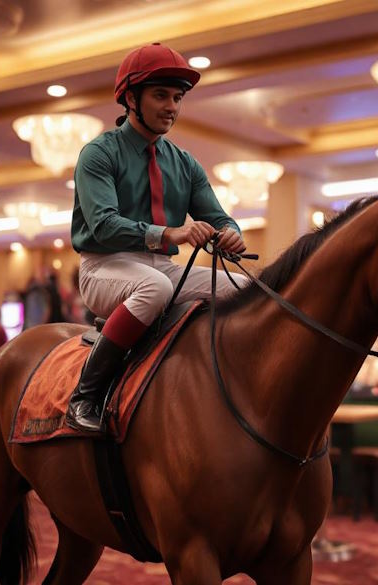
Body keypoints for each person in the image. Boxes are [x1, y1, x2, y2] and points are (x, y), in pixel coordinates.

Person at [66, 42, 248, 432]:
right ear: (130, 98)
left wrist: (231, 233)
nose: (172, 107)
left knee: (245, 290)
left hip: (162, 269)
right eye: (161, 95)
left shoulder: (185, 162)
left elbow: (219, 217)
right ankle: (86, 395)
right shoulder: (97, 154)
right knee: (154, 288)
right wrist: (173, 232)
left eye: (178, 98)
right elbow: (103, 226)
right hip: (103, 267)